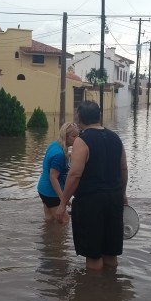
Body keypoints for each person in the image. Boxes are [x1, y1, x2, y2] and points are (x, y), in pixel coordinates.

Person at [55, 101, 128, 270]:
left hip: (91, 203)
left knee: (93, 255)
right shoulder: (116, 138)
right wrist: (122, 194)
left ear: (79, 118)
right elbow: (123, 168)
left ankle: (93, 292)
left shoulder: (82, 141)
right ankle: (111, 289)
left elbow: (74, 175)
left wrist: (63, 203)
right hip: (114, 199)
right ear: (99, 116)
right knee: (111, 253)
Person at [37, 122, 79, 223]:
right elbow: (53, 177)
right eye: (74, 136)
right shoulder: (59, 155)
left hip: (43, 189)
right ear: (66, 136)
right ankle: (58, 239)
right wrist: (63, 200)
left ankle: (47, 237)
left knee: (50, 219)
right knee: (65, 221)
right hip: (52, 193)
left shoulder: (55, 144)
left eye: (78, 135)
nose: (77, 138)